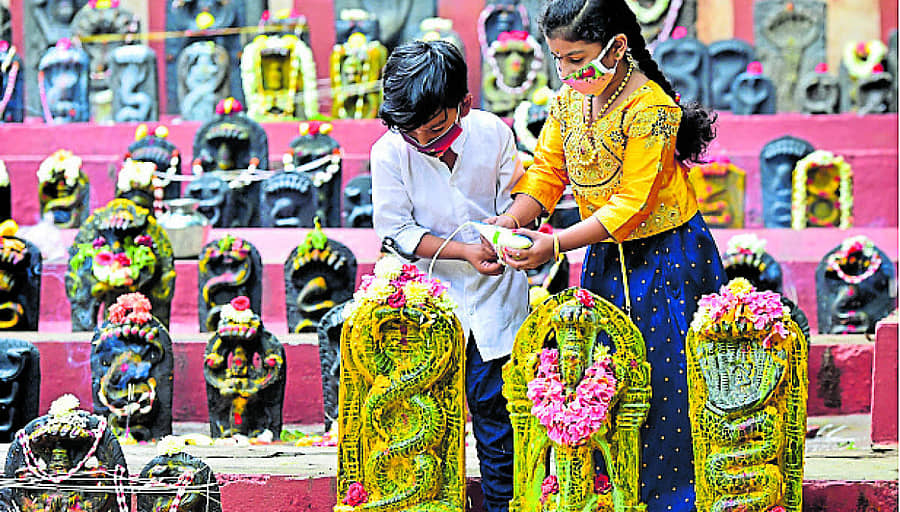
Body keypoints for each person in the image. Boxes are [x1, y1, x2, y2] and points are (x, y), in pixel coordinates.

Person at [492, 0, 726, 510]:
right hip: (603, 258)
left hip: (668, 260)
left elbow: (633, 205)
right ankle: (611, 495)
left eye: (577, 59)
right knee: (607, 378)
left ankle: (675, 501)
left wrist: (553, 244)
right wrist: (512, 220)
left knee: (667, 382)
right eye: (559, 60)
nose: (568, 73)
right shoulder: (570, 101)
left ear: (617, 47)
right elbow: (547, 175)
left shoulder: (652, 109)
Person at [371, 39, 528, 512]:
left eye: (436, 128)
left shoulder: (493, 134)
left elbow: (520, 200)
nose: (424, 143)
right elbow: (397, 230)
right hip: (427, 307)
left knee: (498, 424)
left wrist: (512, 229)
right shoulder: (389, 152)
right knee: (425, 426)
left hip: (497, 300)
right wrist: (464, 251)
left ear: (464, 104)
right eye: (411, 132)